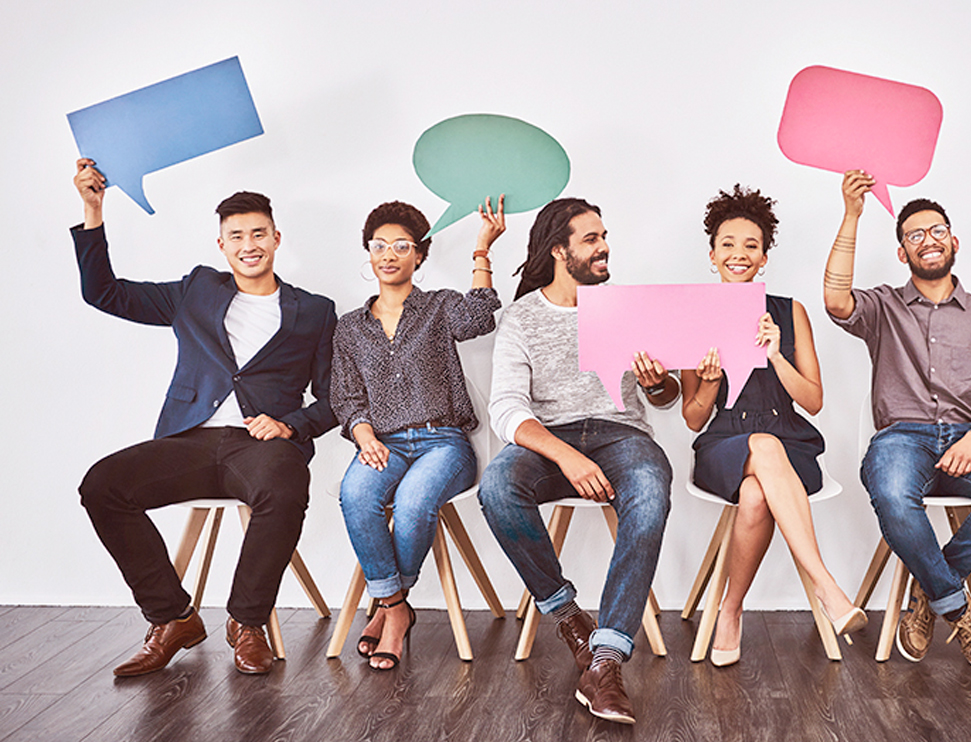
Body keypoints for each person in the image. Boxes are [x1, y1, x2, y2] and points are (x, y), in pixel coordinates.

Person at [72, 159, 336, 676]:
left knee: (284, 486)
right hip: (188, 439)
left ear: (277, 238)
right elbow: (104, 293)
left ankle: (247, 622)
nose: (248, 244)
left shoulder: (315, 310)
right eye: (236, 235)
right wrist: (92, 210)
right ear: (221, 246)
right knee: (102, 485)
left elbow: (333, 399)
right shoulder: (197, 290)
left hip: (262, 447)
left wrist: (290, 426)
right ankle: (172, 619)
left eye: (258, 233)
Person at [822, 171, 971, 670]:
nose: (927, 240)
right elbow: (834, 300)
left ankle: (930, 587)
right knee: (893, 494)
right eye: (914, 234)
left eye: (936, 230)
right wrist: (852, 215)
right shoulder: (883, 306)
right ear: (902, 252)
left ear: (953, 240)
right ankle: (957, 608)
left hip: (970, 437)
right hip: (901, 437)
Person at [479, 198, 676, 725]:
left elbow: (664, 397)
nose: (604, 246)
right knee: (497, 487)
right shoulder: (522, 317)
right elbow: (506, 409)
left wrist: (659, 384)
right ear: (559, 250)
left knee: (651, 490)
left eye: (604, 235)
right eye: (591, 239)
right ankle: (567, 615)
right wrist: (565, 456)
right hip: (551, 438)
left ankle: (605, 660)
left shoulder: (625, 308)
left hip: (621, 433)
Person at [682, 185, 865, 666]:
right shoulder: (693, 315)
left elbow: (815, 401)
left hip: (791, 446)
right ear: (712, 254)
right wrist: (708, 381)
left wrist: (776, 356)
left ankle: (730, 609)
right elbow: (693, 416)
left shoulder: (790, 311)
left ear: (764, 258)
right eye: (728, 244)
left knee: (757, 493)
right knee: (758, 447)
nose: (738, 254)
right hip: (724, 444)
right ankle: (827, 586)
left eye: (750, 246)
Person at [330, 197, 505, 670]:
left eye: (401, 246)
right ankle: (395, 606)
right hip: (381, 442)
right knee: (355, 494)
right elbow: (345, 398)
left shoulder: (438, 307)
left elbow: (480, 317)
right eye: (379, 245)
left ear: (419, 255)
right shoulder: (349, 328)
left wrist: (482, 251)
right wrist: (364, 436)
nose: (389, 254)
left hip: (443, 442)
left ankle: (389, 608)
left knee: (412, 501)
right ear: (368, 254)